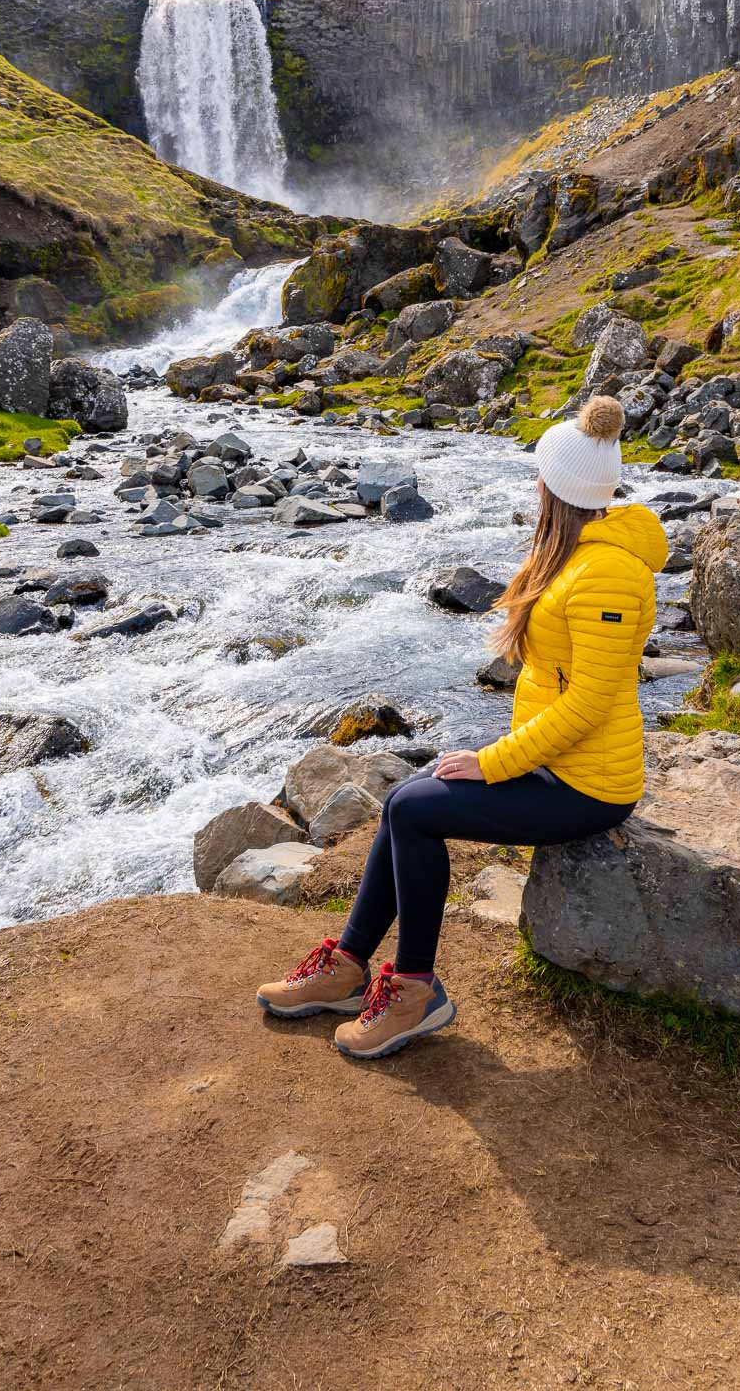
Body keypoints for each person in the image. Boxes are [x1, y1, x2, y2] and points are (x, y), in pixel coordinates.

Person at [255, 395, 668, 1060]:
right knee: (403, 798)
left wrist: (495, 762)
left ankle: (417, 992)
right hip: (555, 763)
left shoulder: (609, 573)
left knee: (416, 812)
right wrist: (497, 757)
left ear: (555, 486)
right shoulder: (579, 552)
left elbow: (588, 703)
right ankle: (348, 968)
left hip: (589, 785)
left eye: (540, 472)